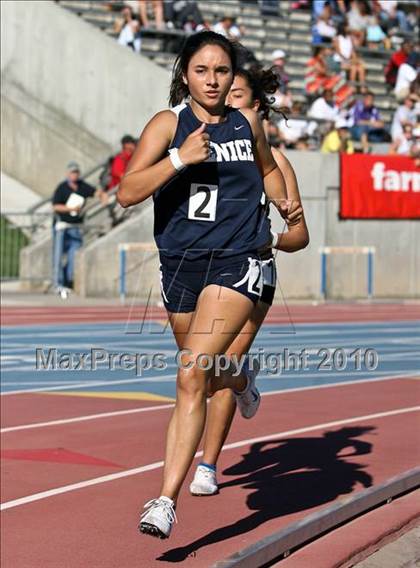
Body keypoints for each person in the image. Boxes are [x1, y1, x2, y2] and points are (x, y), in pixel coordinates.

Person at [117, 31, 306, 539]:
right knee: (208, 375)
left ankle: (164, 501)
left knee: (189, 374)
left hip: (236, 262)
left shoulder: (247, 123)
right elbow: (126, 192)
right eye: (202, 71)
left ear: (232, 77)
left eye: (222, 71)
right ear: (185, 75)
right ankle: (242, 381)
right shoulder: (167, 124)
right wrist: (180, 159)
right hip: (180, 267)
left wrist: (286, 203)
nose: (213, 80)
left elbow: (267, 169)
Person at [186, 65, 309, 500]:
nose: (226, 101)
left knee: (217, 363)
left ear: (256, 108)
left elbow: (300, 236)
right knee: (204, 368)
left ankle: (208, 464)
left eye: (237, 96)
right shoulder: (201, 147)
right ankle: (243, 382)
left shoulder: (273, 162)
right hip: (202, 272)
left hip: (254, 271)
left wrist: (272, 234)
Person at [52, 162, 106, 297]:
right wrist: (70, 209)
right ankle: (58, 284)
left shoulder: (82, 185)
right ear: (67, 174)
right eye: (72, 172)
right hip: (62, 227)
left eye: (76, 172)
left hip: (76, 227)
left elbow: (96, 192)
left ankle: (68, 281)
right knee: (58, 257)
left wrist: (103, 195)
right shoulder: (62, 187)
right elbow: (55, 206)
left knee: (72, 257)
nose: (74, 175)